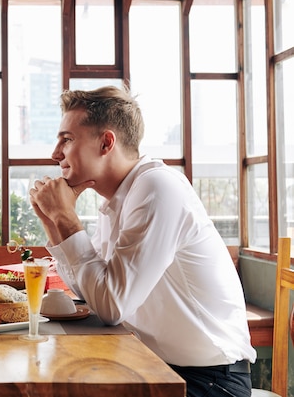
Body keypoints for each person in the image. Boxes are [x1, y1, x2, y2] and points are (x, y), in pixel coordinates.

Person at [29, 86, 257, 397]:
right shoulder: (121, 200)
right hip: (155, 367)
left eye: (66, 139)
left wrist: (66, 218)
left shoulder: (156, 189)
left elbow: (111, 306)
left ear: (106, 142)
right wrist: (53, 222)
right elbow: (90, 292)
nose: (55, 153)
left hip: (209, 383)